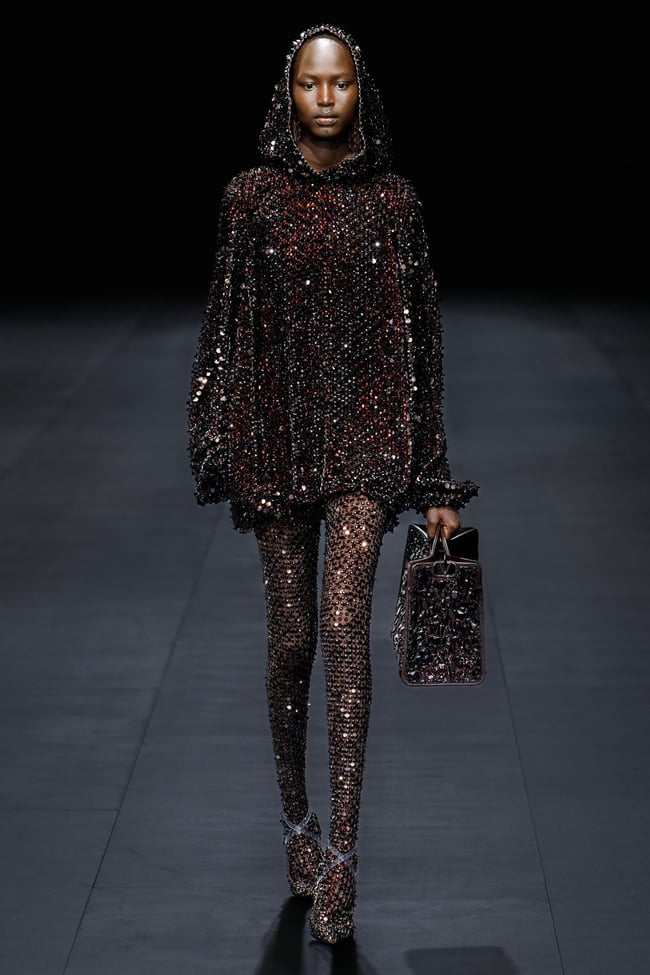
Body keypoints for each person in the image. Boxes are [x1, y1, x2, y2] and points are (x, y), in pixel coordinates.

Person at [186, 23, 479, 944]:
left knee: (346, 629)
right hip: (277, 440)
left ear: (361, 91)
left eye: (340, 82)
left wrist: (432, 476)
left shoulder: (395, 203)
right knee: (293, 639)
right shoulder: (250, 199)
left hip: (366, 437)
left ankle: (344, 857)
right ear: (289, 92)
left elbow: (421, 343)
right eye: (311, 83)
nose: (324, 98)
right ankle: (297, 822)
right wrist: (218, 438)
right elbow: (225, 327)